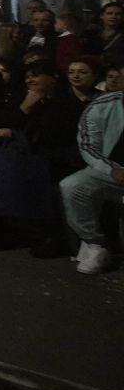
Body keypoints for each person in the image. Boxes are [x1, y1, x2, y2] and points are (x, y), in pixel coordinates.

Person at [60, 90, 124, 274]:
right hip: (111, 171)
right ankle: (96, 244)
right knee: (73, 186)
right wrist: (112, 170)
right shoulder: (103, 105)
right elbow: (88, 146)